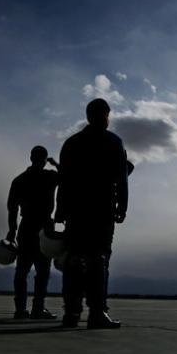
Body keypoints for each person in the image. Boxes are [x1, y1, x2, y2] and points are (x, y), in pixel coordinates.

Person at [55, 98, 128, 329]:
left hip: (76, 210)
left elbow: (63, 180)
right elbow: (121, 177)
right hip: (101, 209)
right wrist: (122, 205)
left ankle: (72, 313)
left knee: (75, 259)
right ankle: (96, 313)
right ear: (104, 115)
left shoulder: (72, 143)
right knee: (99, 259)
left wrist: (60, 209)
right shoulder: (113, 142)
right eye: (107, 114)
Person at [6, 146, 59, 319]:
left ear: (30, 158)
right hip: (44, 226)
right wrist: (55, 164)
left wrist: (12, 230)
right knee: (42, 270)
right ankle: (38, 308)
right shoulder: (50, 176)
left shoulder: (20, 180)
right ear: (44, 159)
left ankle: (20, 309)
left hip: (26, 225)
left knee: (22, 269)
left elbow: (12, 209)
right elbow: (69, 177)